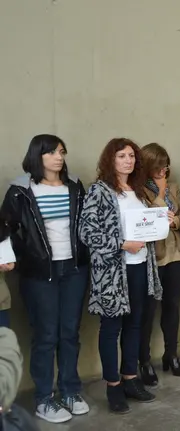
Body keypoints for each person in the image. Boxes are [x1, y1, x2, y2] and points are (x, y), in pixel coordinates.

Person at [1, 134, 90, 422]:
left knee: (70, 332)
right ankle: (43, 398)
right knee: (46, 335)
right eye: (50, 152)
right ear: (37, 156)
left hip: (74, 269)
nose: (58, 157)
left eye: (61, 151)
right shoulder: (21, 190)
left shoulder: (74, 185)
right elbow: (6, 229)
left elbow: (86, 224)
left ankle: (70, 390)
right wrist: (15, 256)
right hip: (40, 273)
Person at [79, 138, 162, 413]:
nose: (128, 161)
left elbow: (146, 227)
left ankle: (130, 378)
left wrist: (161, 222)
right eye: (122, 156)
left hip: (140, 265)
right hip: (112, 271)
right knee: (111, 328)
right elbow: (87, 232)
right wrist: (122, 244)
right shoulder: (100, 191)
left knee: (135, 325)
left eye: (132, 156)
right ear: (110, 160)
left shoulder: (138, 191)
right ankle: (113, 385)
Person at [138, 143, 180, 386]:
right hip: (154, 255)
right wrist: (159, 194)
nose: (163, 171)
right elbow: (143, 219)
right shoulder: (138, 189)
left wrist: (175, 220)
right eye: (158, 166)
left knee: (172, 306)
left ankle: (172, 354)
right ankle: (144, 361)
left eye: (165, 165)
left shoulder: (174, 187)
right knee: (147, 310)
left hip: (176, 252)